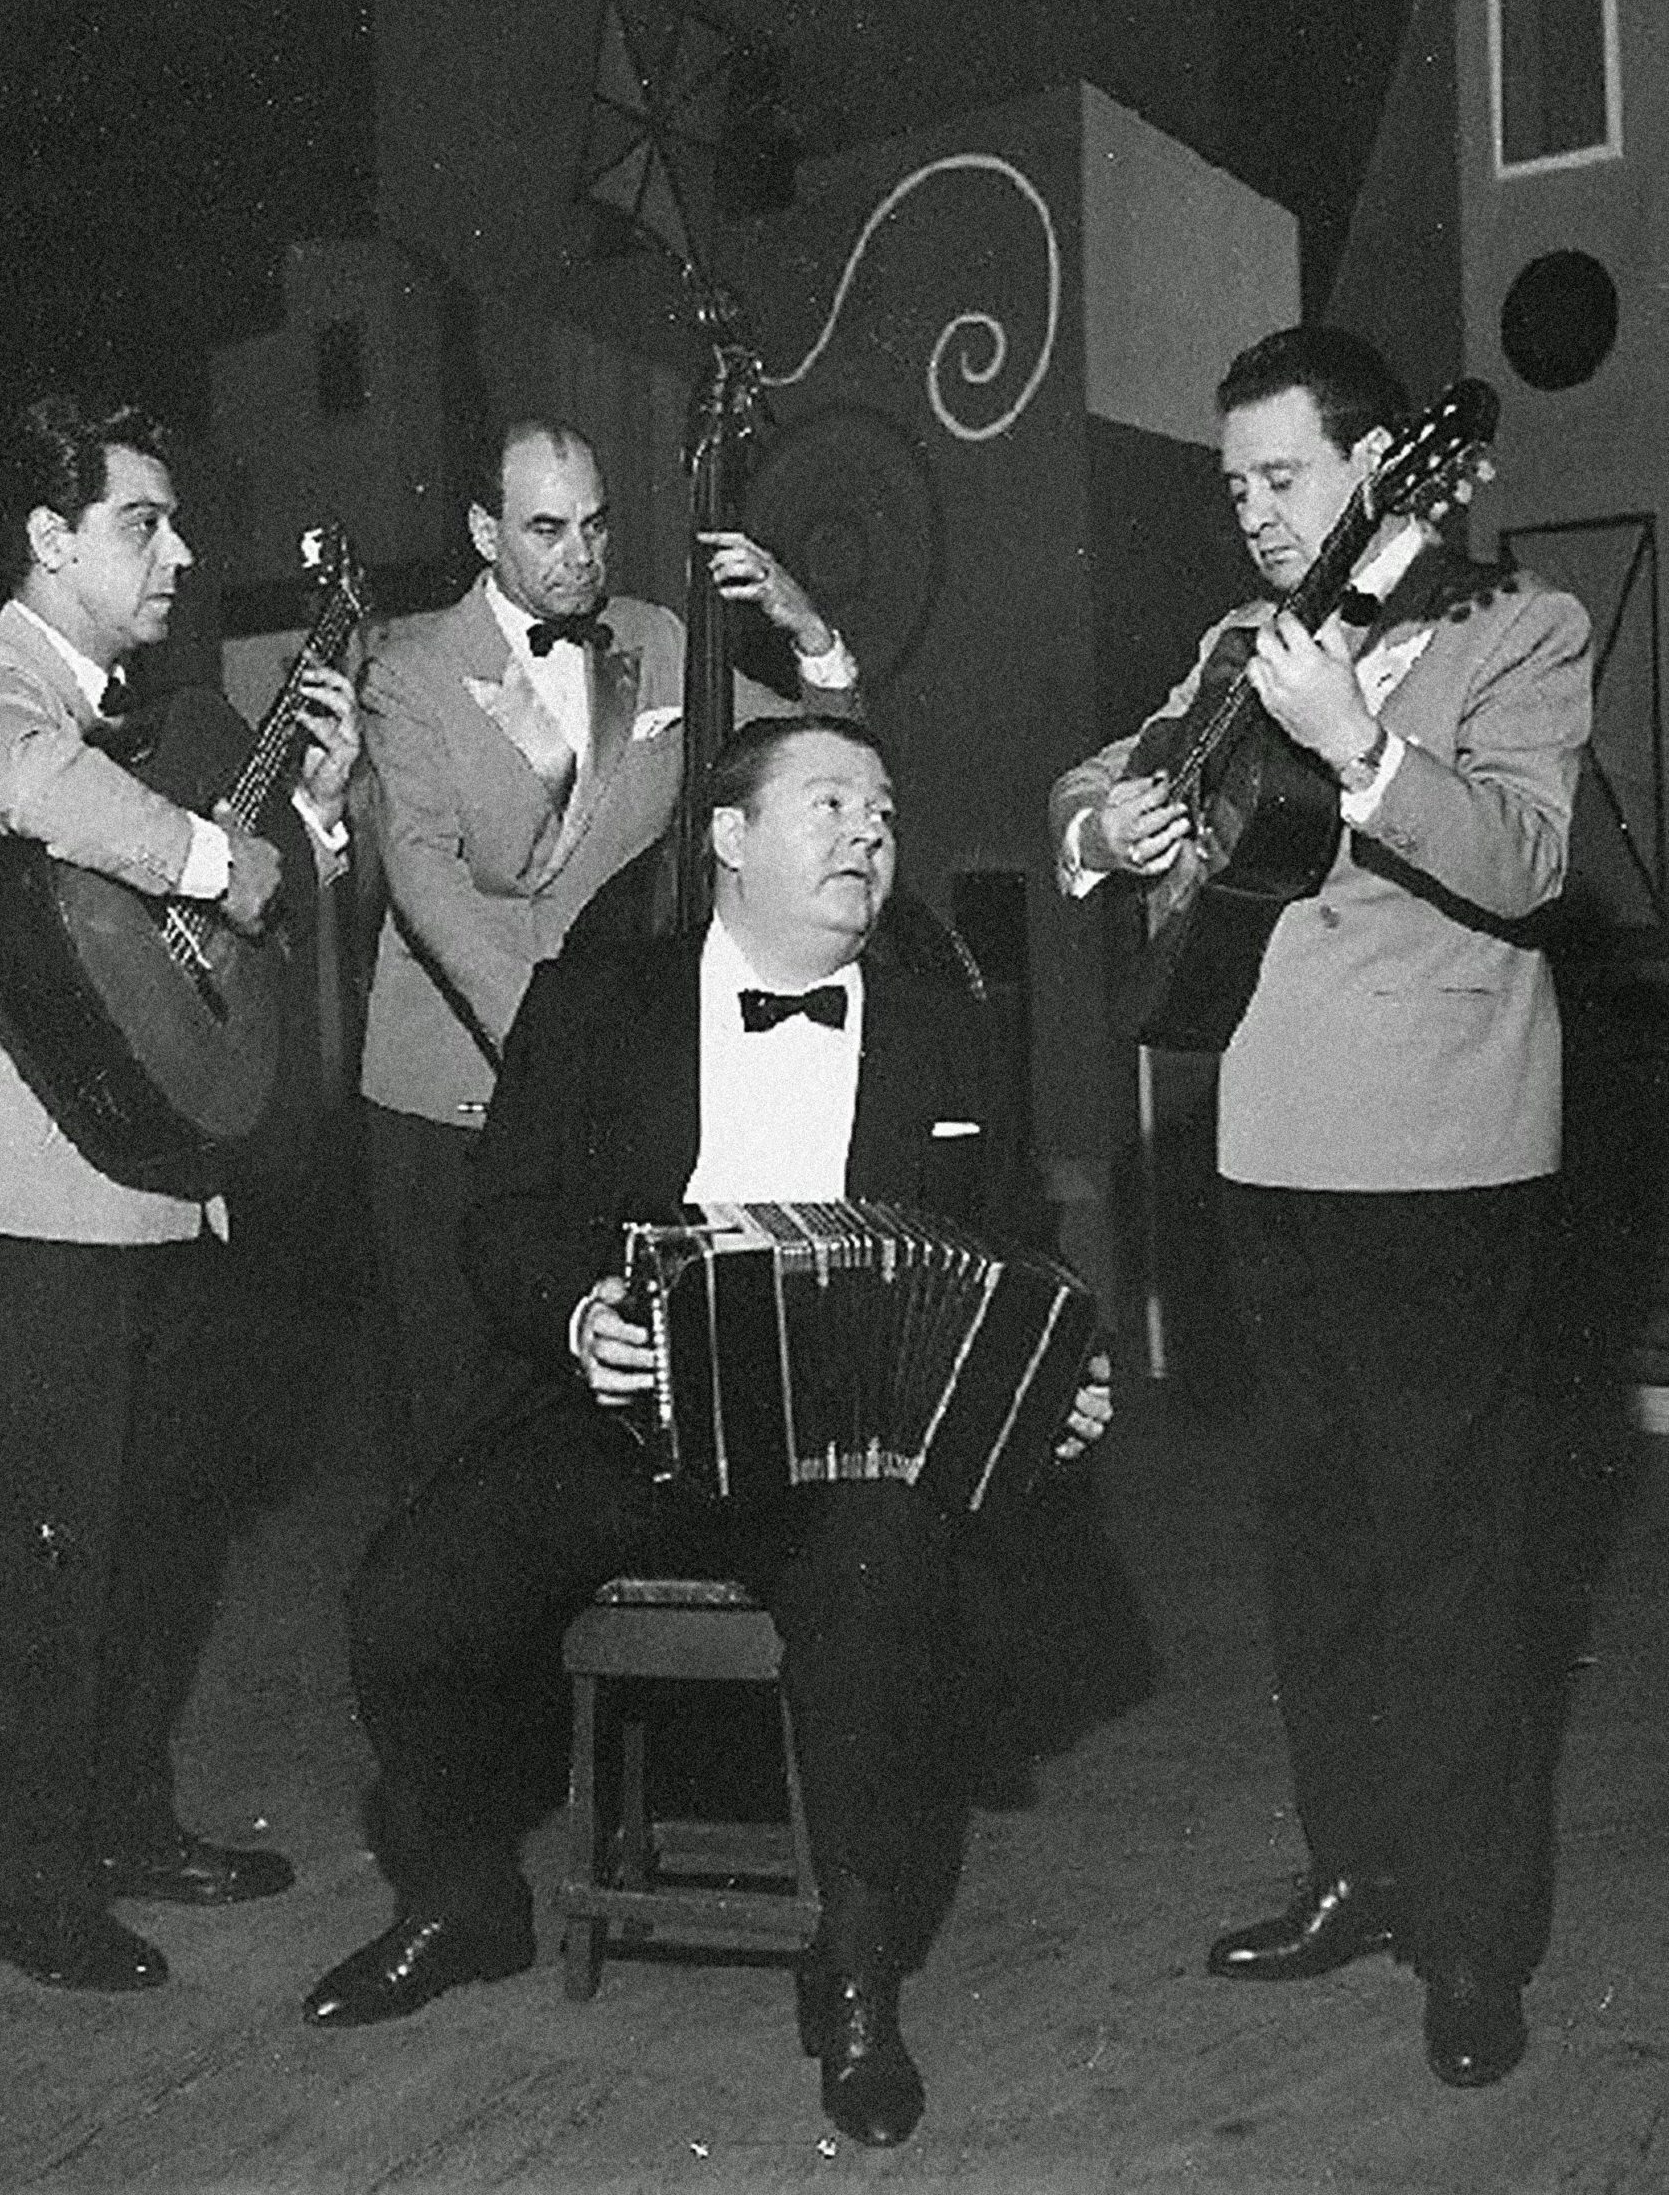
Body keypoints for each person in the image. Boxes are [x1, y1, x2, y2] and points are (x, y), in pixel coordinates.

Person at [304, 716, 1113, 2151]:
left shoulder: (943, 1029)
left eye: (882, 805)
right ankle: (460, 1899)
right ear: (729, 838)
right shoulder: (595, 1001)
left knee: (883, 1591)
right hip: (627, 1422)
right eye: (827, 802)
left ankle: (856, 1983)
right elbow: (504, 1222)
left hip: (839, 1450)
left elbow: (1014, 1248)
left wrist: (1051, 1372)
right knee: (405, 1601)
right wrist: (578, 1320)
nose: (868, 830)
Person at [1049, 324, 1593, 2089]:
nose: (1255, 515)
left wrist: (1356, 748)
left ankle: (1474, 1937)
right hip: (1266, 1154)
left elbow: (1523, 859)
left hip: (1440, 1162)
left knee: (1454, 1563)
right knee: (1318, 1548)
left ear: (1383, 469)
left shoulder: (1524, 633)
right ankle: (1352, 1870)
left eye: (1281, 480)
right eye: (1233, 488)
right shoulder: (1238, 648)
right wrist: (1108, 828)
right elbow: (1093, 779)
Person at [0, 395, 361, 1992]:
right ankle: (22, 1885)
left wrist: (302, 825)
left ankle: (123, 1821)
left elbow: (234, 947)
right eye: (139, 525)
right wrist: (199, 857)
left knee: (151, 1545)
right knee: (36, 1565)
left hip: (159, 1197)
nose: (175, 553)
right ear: (47, 538)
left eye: (172, 523)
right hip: (24, 1216)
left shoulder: (141, 710)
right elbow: (10, 777)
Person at [354, 415, 861, 1489]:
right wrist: (551, 1047)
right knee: (456, 1436)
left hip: (599, 1104)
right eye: (546, 529)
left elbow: (814, 760)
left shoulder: (661, 640)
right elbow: (424, 880)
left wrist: (804, 628)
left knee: (596, 1438)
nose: (580, 556)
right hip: (451, 1095)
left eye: (594, 525)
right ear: (484, 532)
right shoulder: (408, 668)